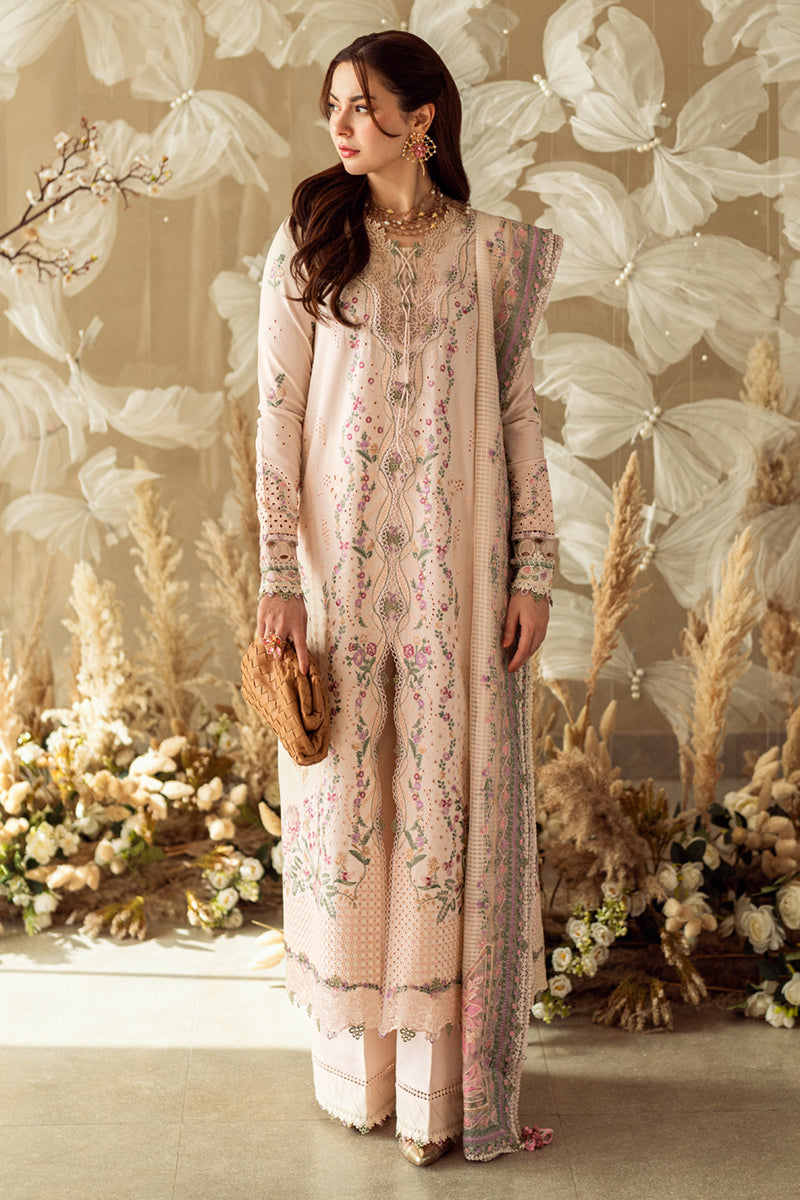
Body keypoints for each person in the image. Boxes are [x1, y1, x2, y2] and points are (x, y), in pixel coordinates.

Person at [255, 29, 561, 1166]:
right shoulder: (311, 240)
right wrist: (278, 575)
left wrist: (533, 567)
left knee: (439, 808)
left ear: (421, 118)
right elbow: (276, 414)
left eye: (363, 104)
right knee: (349, 809)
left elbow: (518, 416)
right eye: (332, 105)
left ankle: (438, 1100)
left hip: (455, 578)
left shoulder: (491, 254)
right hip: (340, 579)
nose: (341, 126)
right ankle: (363, 1082)